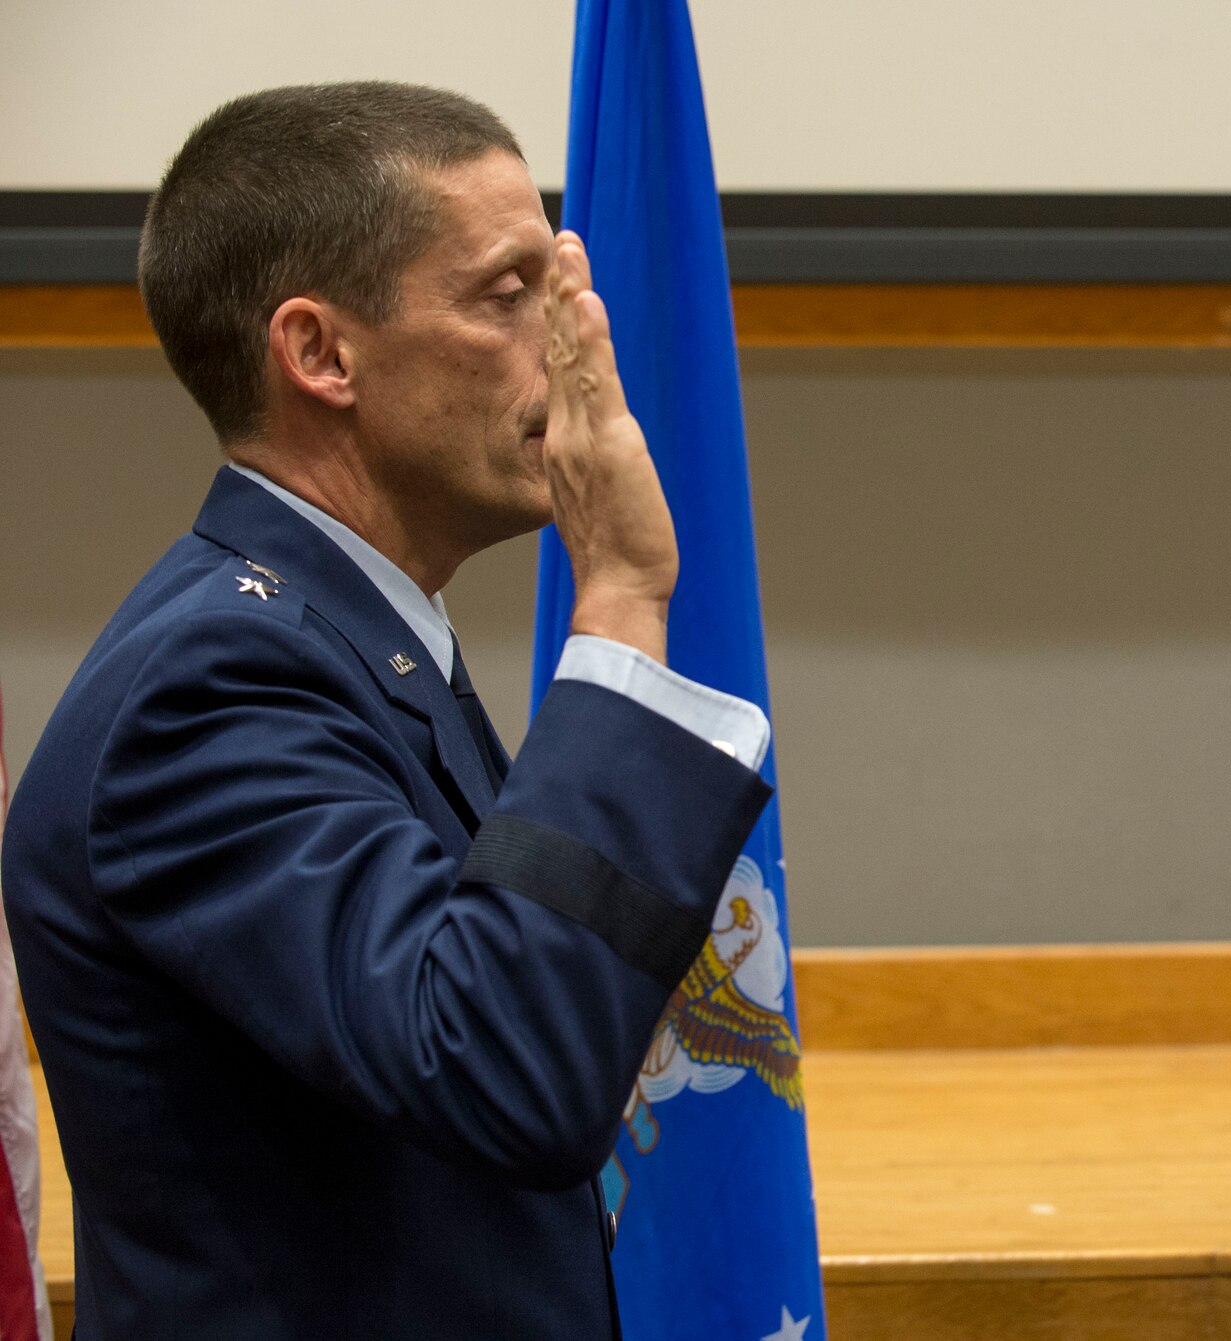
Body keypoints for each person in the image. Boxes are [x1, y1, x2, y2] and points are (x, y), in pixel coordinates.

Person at [1, 83, 774, 1339]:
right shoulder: (208, 688)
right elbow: (504, 1066)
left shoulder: (351, 641)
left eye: (558, 283)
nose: (573, 337)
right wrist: (623, 597)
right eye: (506, 293)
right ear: (319, 353)